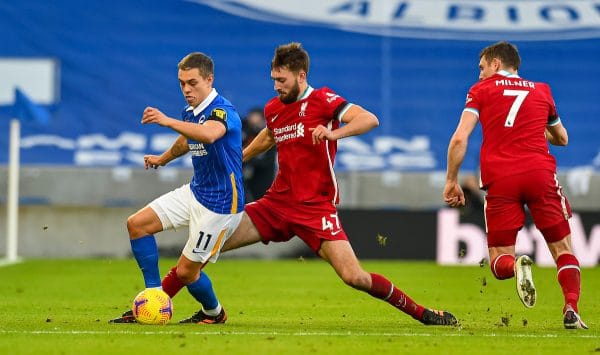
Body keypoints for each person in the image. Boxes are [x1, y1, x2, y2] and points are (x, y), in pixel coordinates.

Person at [113, 42, 457, 326]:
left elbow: (369, 119)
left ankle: (424, 314)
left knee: (355, 277)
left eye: (281, 79)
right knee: (196, 260)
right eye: (273, 79)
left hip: (315, 208)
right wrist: (238, 160)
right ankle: (156, 306)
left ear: (300, 75)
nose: (276, 86)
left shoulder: (323, 100)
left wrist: (333, 132)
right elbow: (265, 139)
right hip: (276, 205)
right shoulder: (275, 109)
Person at [443, 41, 587, 329]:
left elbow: (460, 138)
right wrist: (534, 128)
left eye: (482, 68)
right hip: (540, 174)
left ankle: (517, 265)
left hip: (501, 179)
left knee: (499, 260)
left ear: (496, 64)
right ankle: (571, 309)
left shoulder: (479, 91)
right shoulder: (542, 90)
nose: (480, 74)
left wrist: (451, 181)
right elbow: (562, 138)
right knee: (563, 249)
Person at [110, 52, 244, 324]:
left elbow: (209, 133)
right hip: (196, 191)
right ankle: (154, 295)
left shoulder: (222, 110)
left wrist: (166, 120)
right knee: (137, 224)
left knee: (186, 273)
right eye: (182, 83)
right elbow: (186, 141)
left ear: (209, 79)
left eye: (192, 82)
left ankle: (214, 313)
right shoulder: (190, 112)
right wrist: (162, 159)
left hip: (221, 205)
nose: (186, 89)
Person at [241, 107, 277, 202]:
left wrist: (247, 157)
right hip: (246, 181)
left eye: (257, 121)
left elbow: (266, 161)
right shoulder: (247, 133)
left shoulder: (269, 136)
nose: (254, 125)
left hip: (263, 181)